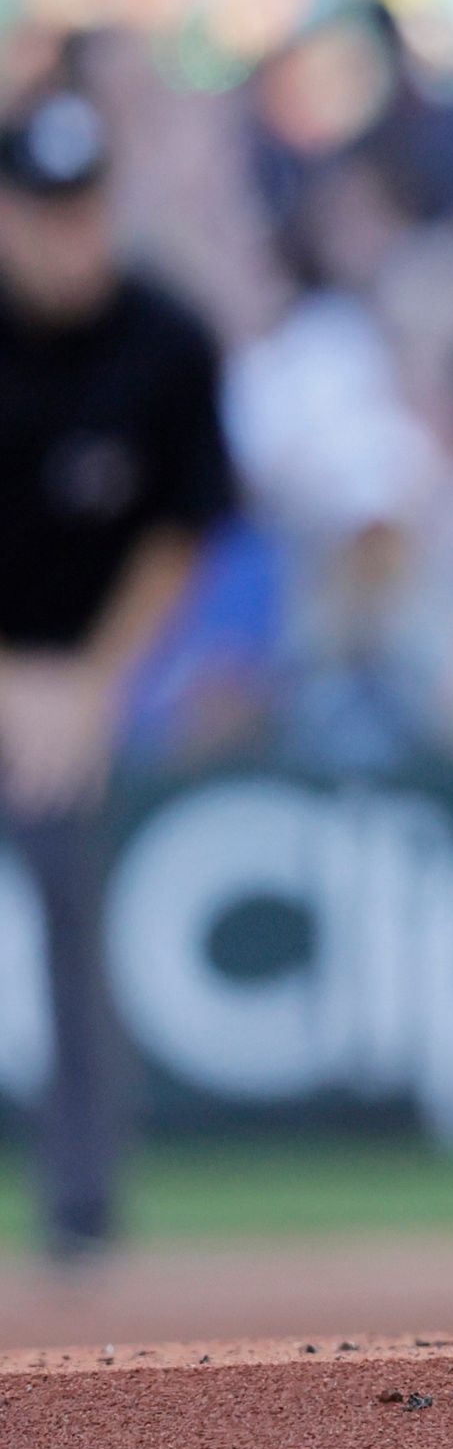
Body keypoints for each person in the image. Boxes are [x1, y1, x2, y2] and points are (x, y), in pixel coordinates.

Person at [0, 87, 234, 1260]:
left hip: (74, 683)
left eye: (85, 210)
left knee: (73, 924)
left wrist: (90, 681)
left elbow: (181, 533)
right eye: (46, 214)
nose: (71, 237)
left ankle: (82, 1219)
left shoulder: (165, 340)